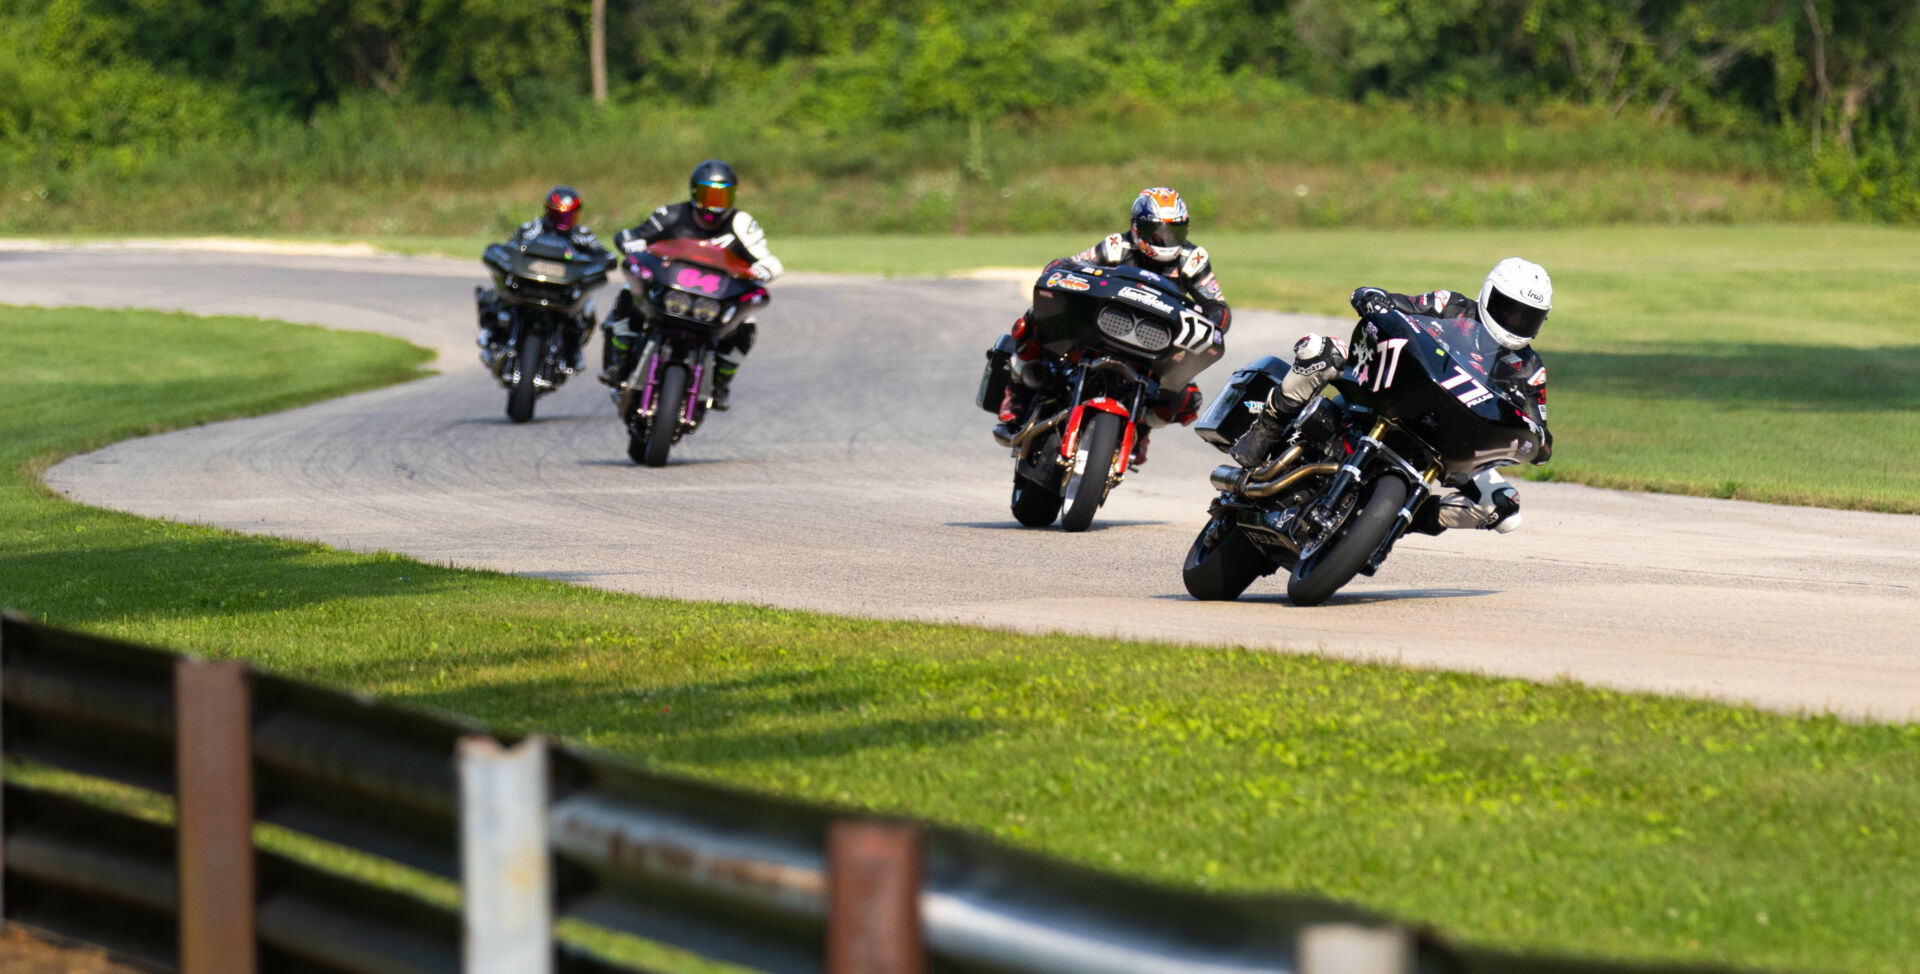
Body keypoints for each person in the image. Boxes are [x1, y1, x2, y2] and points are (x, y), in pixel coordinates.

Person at [1228, 257, 1554, 533]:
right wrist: (1374, 299)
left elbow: (1539, 431)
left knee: (1504, 508)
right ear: (1489, 295)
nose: (1518, 322)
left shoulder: (1528, 368)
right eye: (1511, 311)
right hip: (1396, 392)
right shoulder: (1450, 305)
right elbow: (1399, 304)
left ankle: (1399, 518)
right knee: (1320, 350)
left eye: (1530, 317)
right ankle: (1267, 428)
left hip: (1452, 438)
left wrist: (1537, 443)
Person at [990, 187, 1230, 466]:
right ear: (1137, 227)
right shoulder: (1117, 245)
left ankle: (1140, 429)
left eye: (1174, 231)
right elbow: (1074, 264)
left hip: (1154, 344)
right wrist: (1059, 269)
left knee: (1188, 398)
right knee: (1032, 320)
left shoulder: (1193, 259)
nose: (1165, 239)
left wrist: (1213, 321)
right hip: (1102, 330)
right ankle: (1016, 393)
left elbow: (1217, 305)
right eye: (1156, 230)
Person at [598, 159, 784, 409]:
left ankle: (720, 384)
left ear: (732, 196)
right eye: (708, 195)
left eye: (722, 196)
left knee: (747, 325)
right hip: (669, 291)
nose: (713, 204)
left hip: (714, 299)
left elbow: (766, 258)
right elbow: (634, 235)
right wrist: (632, 242)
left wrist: (763, 269)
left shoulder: (743, 224)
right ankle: (618, 365)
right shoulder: (671, 214)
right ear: (695, 192)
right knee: (627, 295)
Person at [475, 186, 615, 371]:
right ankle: (492, 335)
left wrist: (601, 263)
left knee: (587, 308)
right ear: (548, 212)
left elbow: (605, 256)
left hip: (561, 292)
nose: (563, 221)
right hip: (527, 285)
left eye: (569, 216)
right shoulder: (531, 228)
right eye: (558, 215)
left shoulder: (582, 235)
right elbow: (510, 248)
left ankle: (572, 351)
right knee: (494, 293)